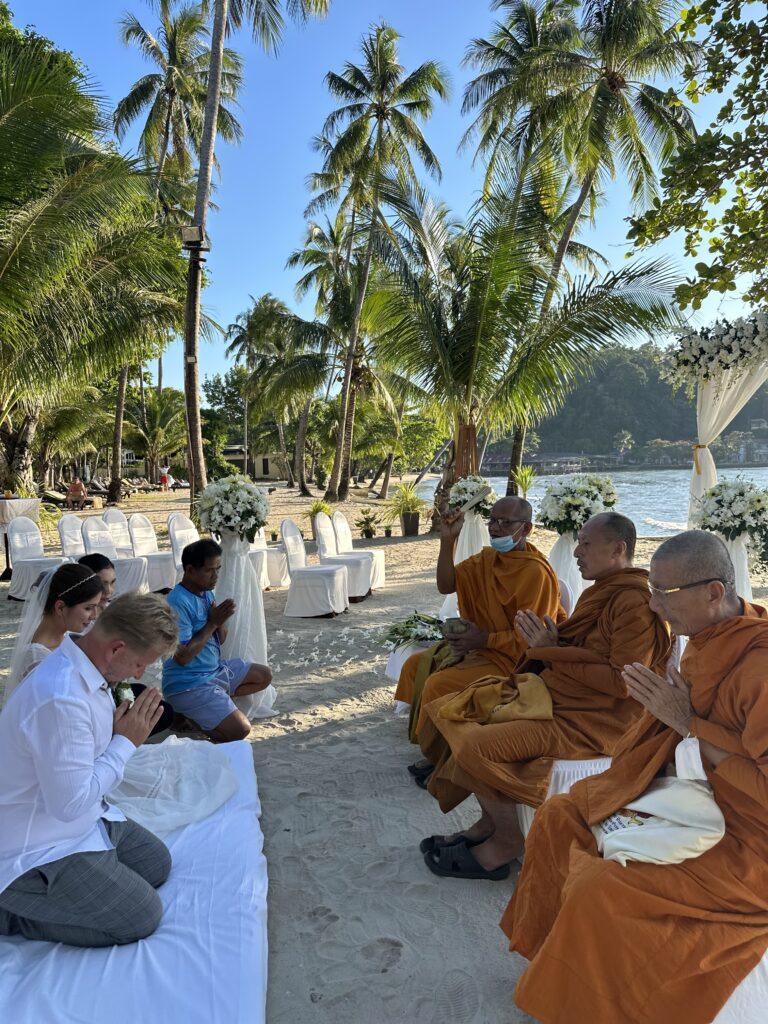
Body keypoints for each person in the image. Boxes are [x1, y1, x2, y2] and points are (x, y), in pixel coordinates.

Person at [502, 530, 768, 1024]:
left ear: (713, 592)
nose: (658, 610)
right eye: (653, 592)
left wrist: (687, 723)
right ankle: (550, 962)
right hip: (691, 791)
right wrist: (674, 722)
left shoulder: (760, 666)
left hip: (748, 842)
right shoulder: (707, 638)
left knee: (601, 887)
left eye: (665, 595)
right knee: (561, 813)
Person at [418, 512, 672, 879]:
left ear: (618, 549)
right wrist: (554, 643)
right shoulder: (602, 590)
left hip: (594, 721)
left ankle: (505, 844)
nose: (577, 553)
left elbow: (623, 682)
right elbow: (583, 650)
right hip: (560, 697)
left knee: (475, 745)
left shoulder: (632, 602)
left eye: (586, 544)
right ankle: (488, 825)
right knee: (453, 710)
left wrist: (549, 649)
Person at [0, 593, 179, 947]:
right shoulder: (61, 697)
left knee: (156, 864)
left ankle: (94, 871)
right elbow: (68, 805)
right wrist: (125, 743)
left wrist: (113, 734)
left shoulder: (86, 662)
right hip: (39, 845)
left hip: (86, 819)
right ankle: (11, 911)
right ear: (116, 649)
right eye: (141, 663)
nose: (140, 673)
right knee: (141, 916)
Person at [395, 497, 565, 764]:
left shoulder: (535, 573)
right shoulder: (487, 559)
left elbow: (532, 640)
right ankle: (435, 736)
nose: (495, 528)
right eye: (493, 521)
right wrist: (448, 540)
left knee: (438, 684)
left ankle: (439, 757)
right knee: (416, 664)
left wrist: (483, 640)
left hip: (514, 660)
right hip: (482, 649)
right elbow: (446, 584)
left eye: (505, 523)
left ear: (527, 529)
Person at [162, 538, 273, 742]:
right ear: (190, 570)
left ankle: (211, 703)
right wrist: (212, 623)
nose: (215, 576)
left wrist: (221, 621)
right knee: (240, 730)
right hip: (188, 682)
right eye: (209, 570)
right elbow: (182, 657)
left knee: (264, 676)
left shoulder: (205, 592)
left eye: (218, 569)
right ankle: (188, 714)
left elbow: (220, 640)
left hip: (214, 671)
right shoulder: (177, 602)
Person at [7, 564, 104, 692]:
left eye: (96, 607)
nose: (94, 616)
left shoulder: (69, 637)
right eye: (88, 608)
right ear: (60, 608)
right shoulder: (36, 659)